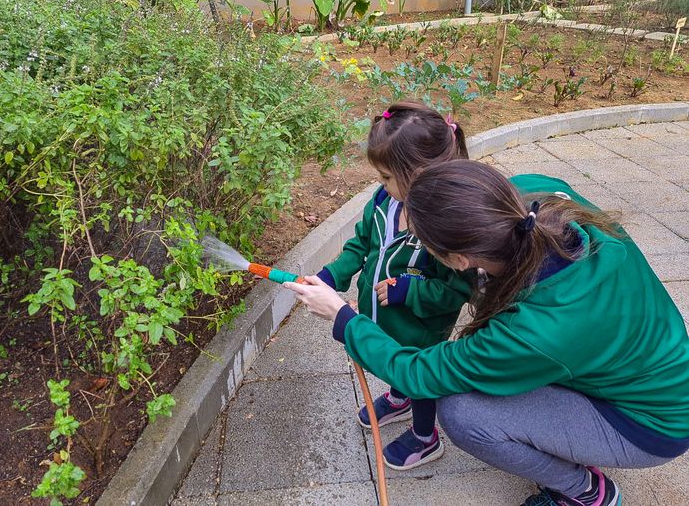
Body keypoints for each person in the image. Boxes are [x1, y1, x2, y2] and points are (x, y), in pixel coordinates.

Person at [286, 160, 689, 506]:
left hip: (650, 424)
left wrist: (342, 317)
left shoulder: (535, 331)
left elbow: (417, 374)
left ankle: (586, 492)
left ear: (458, 259)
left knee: (464, 413)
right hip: (646, 368)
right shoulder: (540, 197)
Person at [314, 101, 472, 470]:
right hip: (383, 315)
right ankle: (399, 396)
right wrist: (332, 275)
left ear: (417, 174)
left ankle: (425, 437)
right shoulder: (384, 201)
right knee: (390, 357)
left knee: (418, 375)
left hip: (420, 327)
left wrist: (409, 291)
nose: (379, 185)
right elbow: (359, 244)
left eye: (385, 176)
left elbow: (456, 291)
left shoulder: (443, 226)